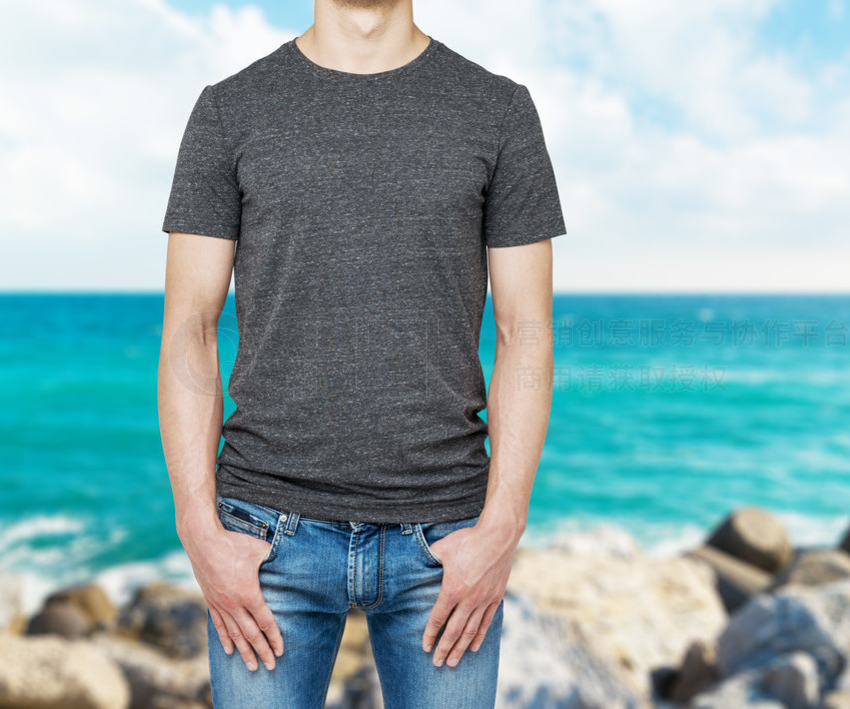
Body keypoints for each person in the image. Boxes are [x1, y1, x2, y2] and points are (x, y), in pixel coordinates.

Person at [156, 0, 567, 705]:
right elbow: (190, 329)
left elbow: (524, 331)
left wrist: (503, 524)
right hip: (265, 534)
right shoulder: (230, 110)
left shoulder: (498, 111)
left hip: (445, 539)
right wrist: (199, 528)